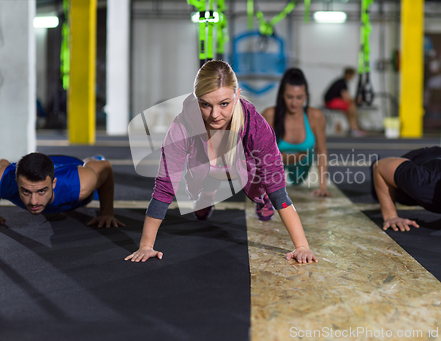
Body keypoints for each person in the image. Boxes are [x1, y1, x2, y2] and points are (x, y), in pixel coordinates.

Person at [125, 60, 317, 264]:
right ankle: (207, 195)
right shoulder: (183, 125)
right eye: (205, 104)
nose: (215, 115)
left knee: (267, 189)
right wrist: (146, 245)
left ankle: (261, 198)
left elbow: (278, 187)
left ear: (237, 96)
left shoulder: (255, 125)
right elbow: (165, 187)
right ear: (196, 99)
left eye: (224, 104)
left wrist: (302, 246)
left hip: (245, 169)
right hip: (206, 168)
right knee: (204, 184)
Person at [0, 153, 124, 228]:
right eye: (26, 192)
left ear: (54, 183)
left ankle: (94, 157)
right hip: (40, 165)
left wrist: (107, 213)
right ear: (16, 182)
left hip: (71, 164)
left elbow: (106, 167)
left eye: (41, 191)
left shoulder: (80, 183)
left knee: (94, 167)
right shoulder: (5, 180)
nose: (34, 202)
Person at [262, 68, 331, 197]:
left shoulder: (315, 116)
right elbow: (259, 152)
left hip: (302, 167)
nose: (294, 103)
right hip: (276, 166)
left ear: (306, 96)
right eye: (289, 97)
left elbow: (322, 151)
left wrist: (323, 186)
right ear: (282, 94)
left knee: (297, 184)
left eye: (299, 97)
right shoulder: (270, 115)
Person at [323, 67, 365, 137]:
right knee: (352, 107)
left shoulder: (341, 82)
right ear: (349, 74)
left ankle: (353, 128)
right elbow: (345, 96)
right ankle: (354, 129)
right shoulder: (342, 83)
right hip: (331, 102)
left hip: (331, 101)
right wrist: (355, 100)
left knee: (350, 108)